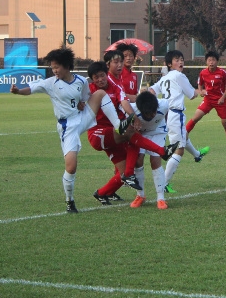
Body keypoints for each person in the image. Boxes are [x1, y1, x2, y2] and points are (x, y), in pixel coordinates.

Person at [10, 47, 134, 213]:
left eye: (57, 67)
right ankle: (70, 201)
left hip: (81, 118)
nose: (54, 70)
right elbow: (31, 89)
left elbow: (85, 98)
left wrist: (83, 103)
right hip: (67, 126)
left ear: (67, 66)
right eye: (52, 67)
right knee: (71, 166)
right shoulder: (50, 83)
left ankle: (118, 125)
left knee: (100, 94)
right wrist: (18, 91)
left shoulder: (81, 81)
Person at [86, 60, 177, 204]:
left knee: (124, 171)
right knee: (130, 132)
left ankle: (102, 193)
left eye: (102, 76)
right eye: (96, 77)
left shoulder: (116, 86)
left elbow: (124, 101)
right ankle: (162, 151)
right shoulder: (89, 89)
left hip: (112, 133)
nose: (100, 79)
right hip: (98, 133)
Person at [149, 50, 209, 191]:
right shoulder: (179, 75)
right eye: (177, 60)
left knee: (184, 136)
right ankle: (163, 184)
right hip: (175, 114)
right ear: (170, 64)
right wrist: (200, 92)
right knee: (179, 150)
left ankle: (197, 155)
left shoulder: (165, 77)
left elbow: (152, 90)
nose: (181, 62)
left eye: (182, 59)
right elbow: (191, 94)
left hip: (166, 114)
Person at [129, 91, 173, 209]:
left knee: (155, 160)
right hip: (141, 134)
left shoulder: (163, 105)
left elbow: (167, 111)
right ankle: (140, 195)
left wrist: (166, 125)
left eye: (154, 111)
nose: (152, 115)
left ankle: (161, 198)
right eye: (149, 113)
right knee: (138, 161)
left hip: (157, 132)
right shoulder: (132, 109)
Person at [186, 51, 226, 149]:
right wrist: (201, 91)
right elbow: (200, 84)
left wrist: (222, 97)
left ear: (217, 61)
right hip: (208, 99)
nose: (211, 62)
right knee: (195, 118)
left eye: (213, 60)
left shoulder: (222, 72)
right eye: (209, 60)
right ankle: (183, 137)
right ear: (206, 62)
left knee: (225, 123)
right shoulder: (203, 72)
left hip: (220, 100)